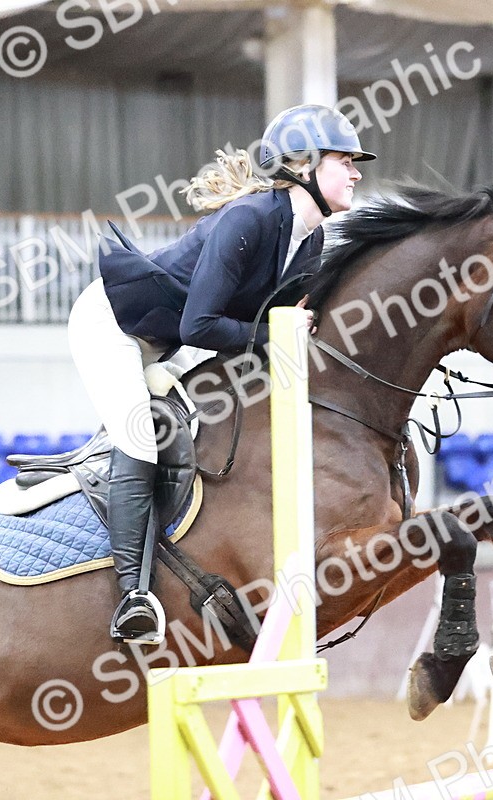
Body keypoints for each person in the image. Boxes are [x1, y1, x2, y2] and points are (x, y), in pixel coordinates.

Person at [69, 104, 373, 645]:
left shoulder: (311, 242)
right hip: (114, 326)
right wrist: (279, 334)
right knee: (142, 437)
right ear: (302, 165)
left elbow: (253, 334)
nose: (355, 172)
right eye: (344, 159)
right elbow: (203, 323)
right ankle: (132, 597)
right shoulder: (250, 219)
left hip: (168, 343)